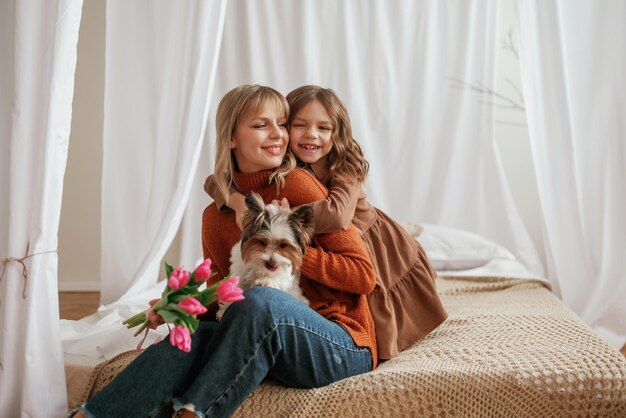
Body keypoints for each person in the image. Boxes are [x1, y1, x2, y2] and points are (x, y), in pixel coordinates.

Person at [69, 85, 377, 418]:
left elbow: (363, 276)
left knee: (261, 300)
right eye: (261, 125)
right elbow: (224, 289)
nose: (278, 135)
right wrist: (181, 309)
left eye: (282, 124)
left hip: (340, 343)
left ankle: (195, 413)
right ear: (231, 137)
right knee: (193, 333)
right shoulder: (215, 216)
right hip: (268, 338)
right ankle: (93, 414)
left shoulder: (300, 187)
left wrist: (292, 250)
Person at [205, 85, 447, 360]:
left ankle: (381, 345)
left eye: (324, 128)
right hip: (336, 245)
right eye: (299, 125)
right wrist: (237, 202)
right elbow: (215, 182)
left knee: (379, 301)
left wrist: (284, 218)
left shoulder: (345, 167)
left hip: (374, 241)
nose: (311, 135)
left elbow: (336, 214)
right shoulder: (285, 162)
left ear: (337, 134)